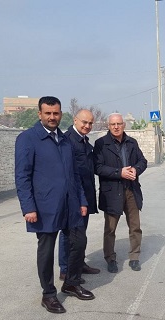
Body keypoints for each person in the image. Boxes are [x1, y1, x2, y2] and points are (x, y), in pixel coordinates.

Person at [15, 96, 95, 314]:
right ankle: (48, 294)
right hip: (44, 206)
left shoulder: (66, 140)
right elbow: (22, 176)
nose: (52, 117)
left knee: (78, 243)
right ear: (39, 114)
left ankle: (71, 282)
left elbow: (75, 174)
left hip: (71, 204)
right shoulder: (28, 139)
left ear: (61, 114)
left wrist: (82, 201)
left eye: (56, 113)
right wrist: (28, 207)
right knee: (47, 251)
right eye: (48, 113)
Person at [93, 113, 148, 273]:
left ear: (124, 125)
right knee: (110, 229)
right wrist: (119, 172)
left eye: (119, 124)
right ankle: (110, 259)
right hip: (111, 193)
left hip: (131, 190)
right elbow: (97, 167)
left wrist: (135, 170)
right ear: (108, 126)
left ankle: (134, 257)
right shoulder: (101, 144)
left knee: (135, 226)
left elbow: (142, 161)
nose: (116, 127)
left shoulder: (132, 143)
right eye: (112, 124)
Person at [57, 109, 101, 282]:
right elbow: (68, 174)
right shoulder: (68, 141)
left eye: (90, 123)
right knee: (69, 234)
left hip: (86, 195)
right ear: (75, 120)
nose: (87, 126)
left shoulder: (83, 140)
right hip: (73, 196)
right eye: (84, 122)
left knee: (80, 233)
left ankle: (79, 264)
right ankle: (66, 269)